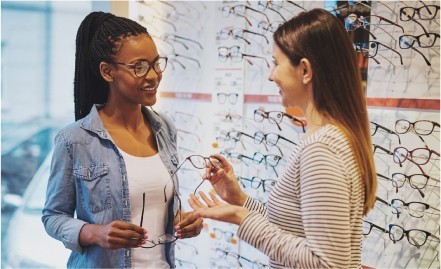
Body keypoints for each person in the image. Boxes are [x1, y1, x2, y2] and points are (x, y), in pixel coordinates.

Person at [189, 8, 377, 269]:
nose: (270, 75)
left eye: (276, 63)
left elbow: (328, 263)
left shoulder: (321, 148)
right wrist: (241, 200)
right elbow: (297, 232)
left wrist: (241, 217)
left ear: (305, 70)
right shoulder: (331, 137)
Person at [42, 11, 203, 268]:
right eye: (139, 67)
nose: (153, 75)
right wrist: (96, 233)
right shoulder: (74, 140)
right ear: (107, 72)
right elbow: (53, 217)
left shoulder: (165, 128)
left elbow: (154, 205)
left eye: (156, 63)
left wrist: (184, 220)